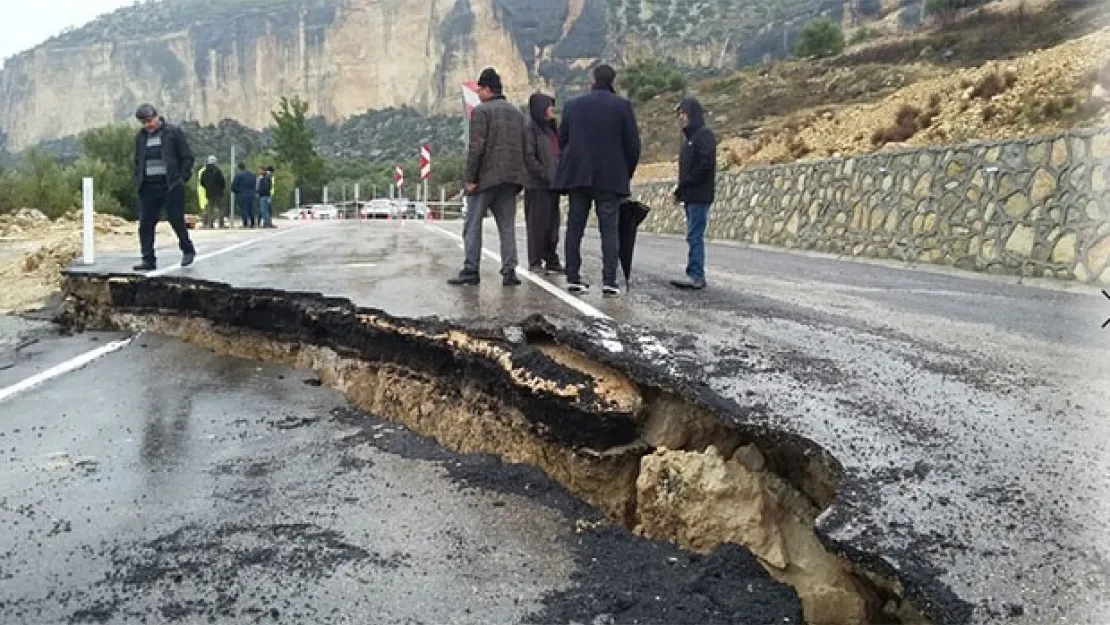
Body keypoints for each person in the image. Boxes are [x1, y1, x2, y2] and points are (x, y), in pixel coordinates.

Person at [552, 64, 641, 298]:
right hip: (610, 177)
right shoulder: (622, 106)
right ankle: (610, 281)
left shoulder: (573, 105)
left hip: (578, 176)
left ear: (592, 80)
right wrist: (625, 172)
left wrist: (572, 163)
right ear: (613, 81)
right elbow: (633, 146)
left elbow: (562, 141)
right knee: (609, 231)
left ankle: (573, 277)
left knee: (575, 228)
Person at [448, 67, 528, 287]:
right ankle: (510, 271)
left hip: (486, 178)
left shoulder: (482, 112)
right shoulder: (517, 114)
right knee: (507, 227)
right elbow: (525, 147)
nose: (478, 93)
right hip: (511, 179)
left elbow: (476, 148)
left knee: (472, 224)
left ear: (486, 89)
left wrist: (470, 179)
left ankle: (471, 270)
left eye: (480, 88)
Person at [131, 103, 197, 271]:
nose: (148, 124)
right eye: (144, 122)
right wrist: (138, 179)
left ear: (157, 116)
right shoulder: (140, 137)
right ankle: (148, 259)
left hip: (171, 185)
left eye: (150, 120)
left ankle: (188, 250)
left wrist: (182, 179)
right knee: (145, 224)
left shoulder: (173, 133)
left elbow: (187, 157)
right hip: (148, 187)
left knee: (176, 220)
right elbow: (138, 161)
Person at [671, 97, 717, 290]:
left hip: (699, 195)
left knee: (694, 235)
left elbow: (704, 165)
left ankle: (696, 275)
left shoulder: (704, 136)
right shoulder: (689, 139)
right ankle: (694, 272)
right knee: (693, 235)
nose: (681, 118)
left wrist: (684, 187)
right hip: (691, 195)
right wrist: (680, 190)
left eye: (684, 113)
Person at [523, 92, 563, 275]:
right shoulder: (530, 130)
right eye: (548, 106)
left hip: (553, 185)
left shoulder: (552, 129)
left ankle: (551, 259)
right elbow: (529, 158)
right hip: (537, 185)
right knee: (537, 225)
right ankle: (535, 261)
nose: (551, 109)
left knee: (553, 224)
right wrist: (544, 174)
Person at [199, 155, 228, 229]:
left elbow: (202, 182)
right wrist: (221, 188)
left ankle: (210, 224)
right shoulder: (217, 171)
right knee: (221, 208)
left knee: (210, 208)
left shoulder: (204, 172)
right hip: (218, 193)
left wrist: (207, 187)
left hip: (209, 192)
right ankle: (221, 224)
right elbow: (222, 182)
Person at [231, 162, 258, 228]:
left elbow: (234, 186)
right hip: (251, 193)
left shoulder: (239, 175)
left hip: (242, 194)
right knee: (251, 208)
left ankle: (245, 224)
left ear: (239, 168)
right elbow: (255, 184)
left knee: (244, 209)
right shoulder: (252, 174)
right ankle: (252, 223)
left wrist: (237, 192)